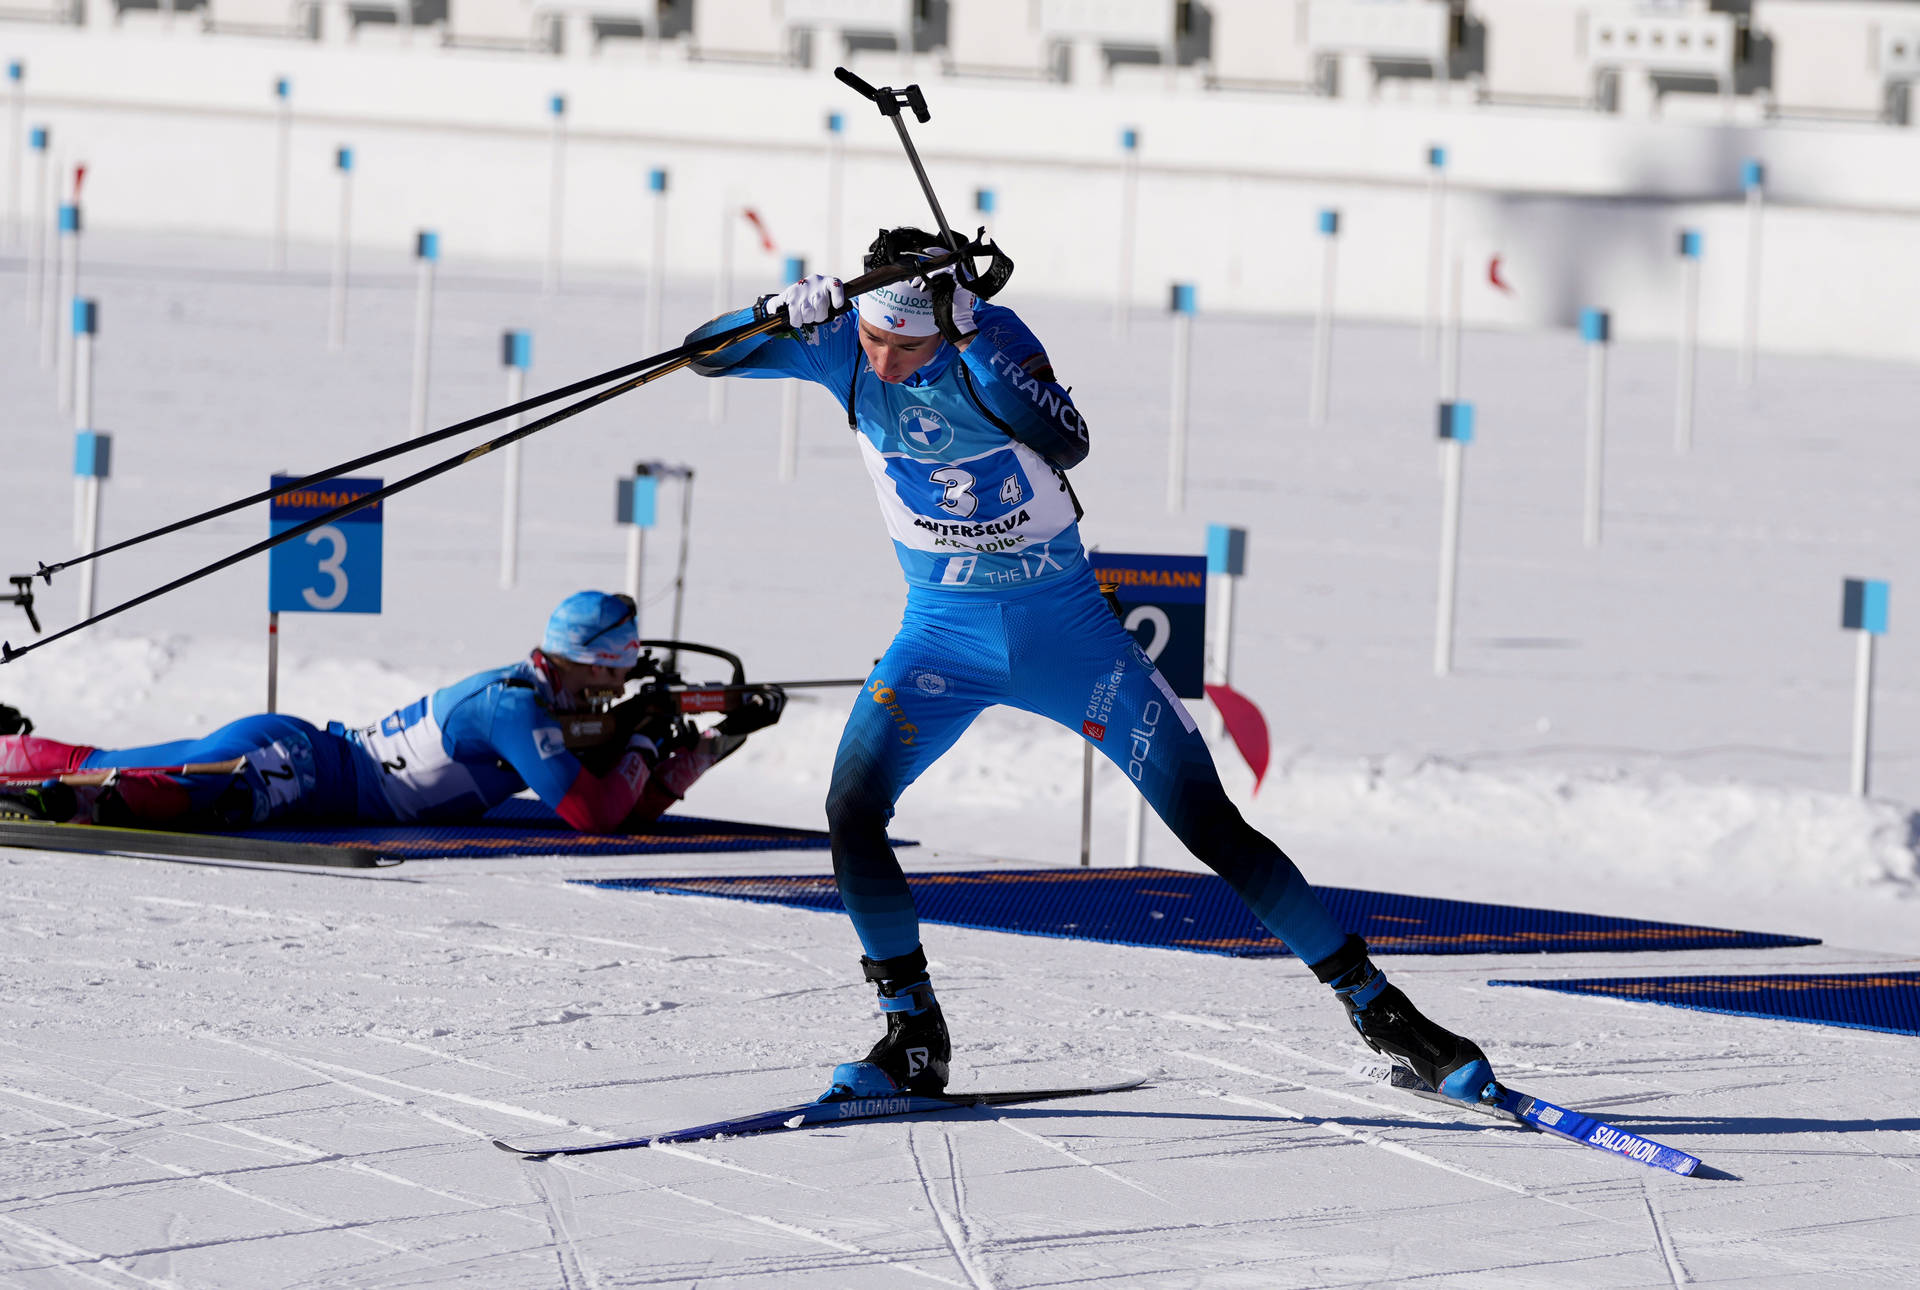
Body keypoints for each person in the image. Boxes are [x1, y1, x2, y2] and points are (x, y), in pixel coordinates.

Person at [687, 228, 1496, 1104]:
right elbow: (704, 355)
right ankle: (913, 1034)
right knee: (851, 809)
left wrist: (960, 338)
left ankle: (1387, 1016)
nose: (884, 363)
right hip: (941, 637)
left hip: (1068, 635)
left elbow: (1062, 440)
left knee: (1209, 825)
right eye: (876, 340)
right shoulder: (842, 344)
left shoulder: (991, 339)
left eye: (907, 344)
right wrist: (769, 311)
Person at [0, 592, 776, 834]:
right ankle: (60, 804)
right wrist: (642, 740)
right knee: (207, 795)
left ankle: (28, 765)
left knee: (99, 757)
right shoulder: (516, 710)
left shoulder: (541, 702)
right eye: (613, 674)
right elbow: (595, 814)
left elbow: (626, 803)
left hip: (310, 758)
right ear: (588, 661)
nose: (615, 691)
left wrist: (711, 745)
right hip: (302, 765)